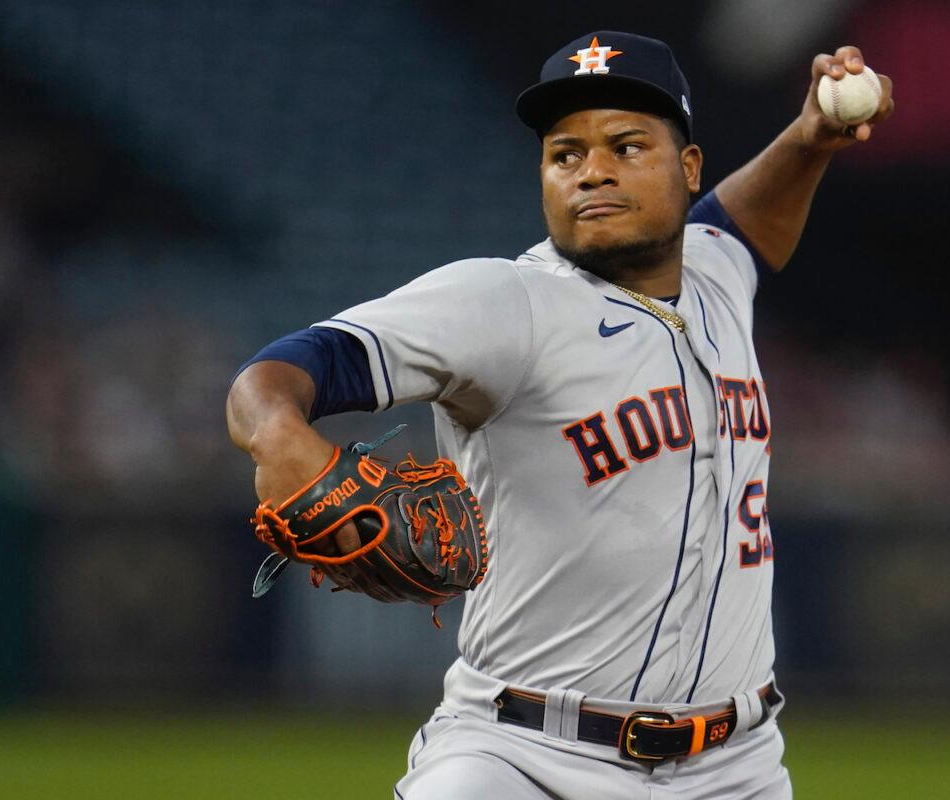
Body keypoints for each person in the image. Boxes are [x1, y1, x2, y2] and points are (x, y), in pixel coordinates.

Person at [226, 30, 892, 800]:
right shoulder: (506, 302)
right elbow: (284, 369)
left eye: (627, 144)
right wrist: (278, 433)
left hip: (735, 767)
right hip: (523, 757)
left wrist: (810, 140)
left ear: (688, 168)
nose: (592, 171)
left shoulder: (714, 274)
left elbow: (745, 223)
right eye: (565, 153)